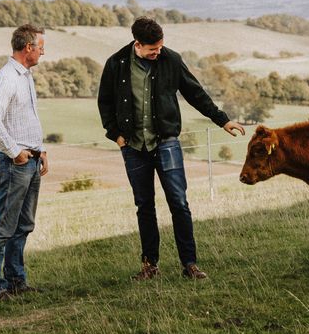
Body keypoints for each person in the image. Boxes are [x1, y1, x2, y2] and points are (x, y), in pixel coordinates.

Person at [98, 16, 246, 281]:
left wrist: (222, 120)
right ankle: (149, 265)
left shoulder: (172, 60)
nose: (158, 52)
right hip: (133, 146)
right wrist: (116, 136)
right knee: (144, 205)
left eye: (160, 47)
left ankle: (190, 264)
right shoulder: (116, 63)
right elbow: (105, 103)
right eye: (152, 49)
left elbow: (195, 93)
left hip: (166, 142)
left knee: (179, 203)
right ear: (137, 44)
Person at [0, 23, 48, 302]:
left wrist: (41, 150)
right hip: (15, 164)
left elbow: (26, 119)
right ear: (28, 47)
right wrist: (14, 152)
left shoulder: (26, 77)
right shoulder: (7, 77)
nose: (43, 53)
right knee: (3, 226)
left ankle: (16, 281)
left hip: (31, 160)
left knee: (23, 225)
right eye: (41, 48)